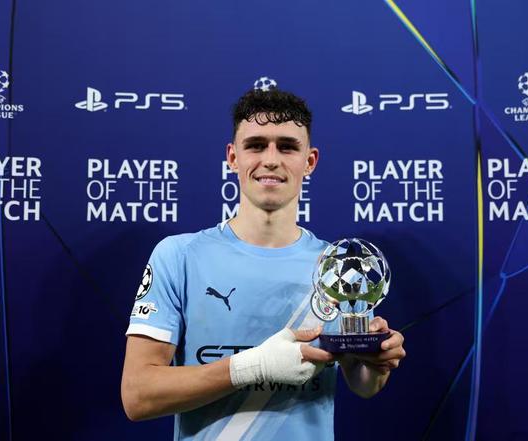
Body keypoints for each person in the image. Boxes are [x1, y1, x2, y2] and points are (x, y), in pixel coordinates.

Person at [121, 89, 406, 440]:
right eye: (256, 145)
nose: (271, 160)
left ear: (310, 161)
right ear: (233, 157)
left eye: (287, 147)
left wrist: (377, 360)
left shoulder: (336, 268)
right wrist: (253, 367)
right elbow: (138, 395)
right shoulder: (178, 255)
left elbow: (363, 384)